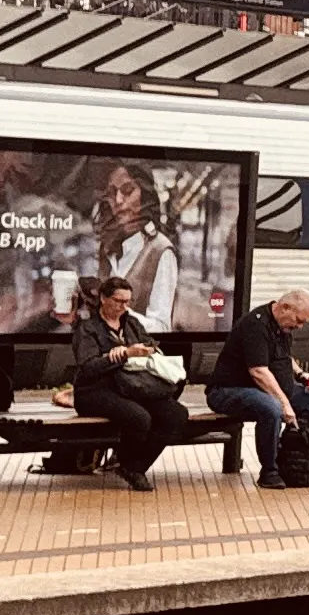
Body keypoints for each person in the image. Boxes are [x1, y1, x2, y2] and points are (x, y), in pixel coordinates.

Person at [69, 272, 190, 491]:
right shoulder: (87, 327)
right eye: (118, 301)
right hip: (96, 390)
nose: (123, 306)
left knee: (176, 414)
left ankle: (134, 466)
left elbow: (151, 345)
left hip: (132, 386)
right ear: (104, 299)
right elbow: (87, 368)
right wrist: (119, 356)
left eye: (127, 302)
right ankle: (126, 464)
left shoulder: (132, 323)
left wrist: (143, 351)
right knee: (139, 418)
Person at [208, 286, 309, 488]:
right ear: (285, 308)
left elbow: (284, 357)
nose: (300, 327)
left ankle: (301, 456)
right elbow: (258, 371)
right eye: (299, 320)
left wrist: (301, 375)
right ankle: (269, 471)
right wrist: (285, 404)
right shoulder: (255, 326)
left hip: (266, 391)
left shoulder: (283, 327)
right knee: (271, 407)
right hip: (229, 391)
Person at [85, 160, 181, 330]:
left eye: (128, 191)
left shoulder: (161, 251)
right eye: (112, 193)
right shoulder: (108, 249)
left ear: (145, 195)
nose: (118, 200)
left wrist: (117, 311)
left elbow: (161, 328)